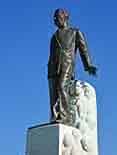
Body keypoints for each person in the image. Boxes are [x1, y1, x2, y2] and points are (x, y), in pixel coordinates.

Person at [48, 8, 97, 122]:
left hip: (67, 65)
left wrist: (88, 65)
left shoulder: (74, 32)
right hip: (53, 67)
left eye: (57, 16)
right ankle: (55, 116)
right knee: (53, 94)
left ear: (65, 17)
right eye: (54, 18)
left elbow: (83, 49)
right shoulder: (53, 37)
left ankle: (64, 117)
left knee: (61, 86)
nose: (55, 19)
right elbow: (51, 55)